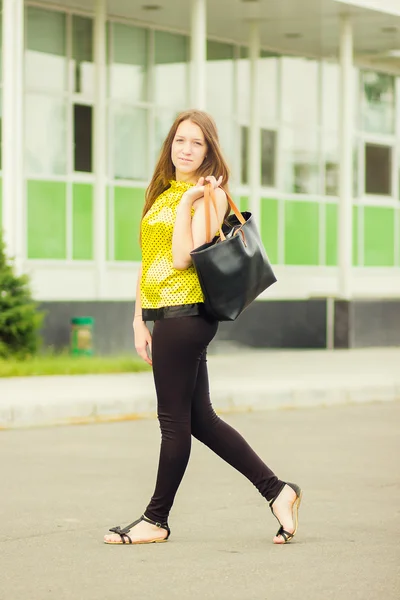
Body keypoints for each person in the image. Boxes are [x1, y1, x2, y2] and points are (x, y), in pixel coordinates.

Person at [104, 109, 302, 547]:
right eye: (180, 140)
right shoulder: (162, 193)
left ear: (209, 151)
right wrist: (138, 319)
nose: (186, 149)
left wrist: (192, 201)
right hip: (164, 315)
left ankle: (156, 519)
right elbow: (148, 262)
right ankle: (278, 491)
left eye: (197, 143)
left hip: (187, 315)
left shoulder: (209, 197)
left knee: (172, 422)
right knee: (201, 420)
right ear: (170, 145)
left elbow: (182, 258)